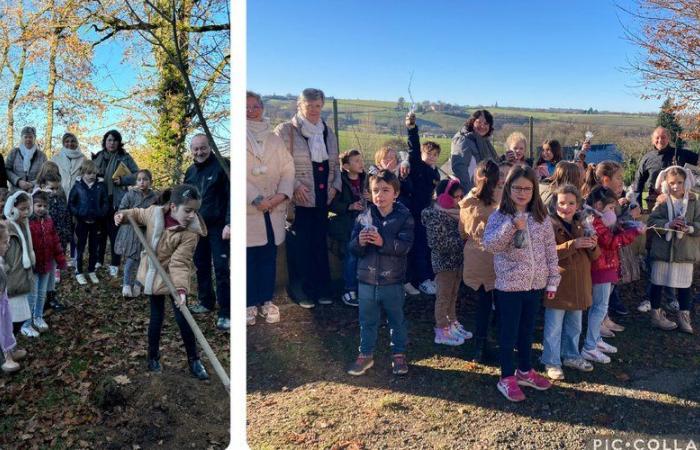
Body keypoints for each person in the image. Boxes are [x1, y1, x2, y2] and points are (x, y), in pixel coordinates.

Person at [114, 184, 209, 380]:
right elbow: (137, 213)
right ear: (173, 206)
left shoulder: (190, 233)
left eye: (195, 211)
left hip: (174, 276)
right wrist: (122, 216)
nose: (192, 215)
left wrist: (181, 290)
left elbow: (180, 262)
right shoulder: (154, 213)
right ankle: (153, 356)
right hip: (154, 274)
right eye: (188, 210)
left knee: (184, 318)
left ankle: (194, 359)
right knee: (156, 317)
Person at [483, 165, 560, 402]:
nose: (522, 192)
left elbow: (550, 249)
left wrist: (552, 280)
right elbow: (490, 244)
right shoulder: (499, 216)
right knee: (508, 333)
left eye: (527, 188)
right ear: (508, 188)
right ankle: (506, 377)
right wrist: (511, 227)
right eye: (517, 187)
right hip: (510, 286)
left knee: (527, 331)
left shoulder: (542, 217)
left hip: (535, 285)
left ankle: (525, 371)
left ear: (534, 190)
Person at [274, 88, 340, 308]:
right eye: (309, 105)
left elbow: (335, 166)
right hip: (298, 199)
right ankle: (299, 289)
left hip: (322, 197)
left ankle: (321, 287)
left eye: (318, 106)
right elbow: (278, 165)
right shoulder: (285, 131)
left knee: (319, 244)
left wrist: (334, 186)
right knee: (298, 246)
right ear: (299, 105)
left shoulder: (328, 133)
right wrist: (293, 186)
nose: (314, 110)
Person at [346, 170, 414, 376]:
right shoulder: (363, 217)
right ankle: (365, 355)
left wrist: (383, 242)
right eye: (375, 190)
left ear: (396, 193)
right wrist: (359, 242)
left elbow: (405, 247)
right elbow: (352, 248)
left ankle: (399, 354)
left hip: (392, 281)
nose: (380, 195)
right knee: (367, 320)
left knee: (396, 320)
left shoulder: (404, 217)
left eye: (385, 190)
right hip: (366, 281)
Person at [541, 184, 599, 380]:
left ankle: (571, 355)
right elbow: (546, 253)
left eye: (571, 203)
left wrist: (592, 244)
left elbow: (595, 256)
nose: (566, 207)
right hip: (558, 283)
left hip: (580, 283)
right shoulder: (547, 225)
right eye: (562, 203)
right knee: (553, 327)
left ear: (578, 205)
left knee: (575, 325)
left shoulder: (582, 225)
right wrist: (572, 244)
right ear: (554, 204)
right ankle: (551, 361)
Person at [246, 91, 294, 325]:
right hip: (250, 209)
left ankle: (266, 300)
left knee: (268, 256)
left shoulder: (274, 138)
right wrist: (255, 198)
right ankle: (248, 302)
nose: (251, 110)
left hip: (273, 207)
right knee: (249, 257)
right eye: (246, 106)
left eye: (255, 106)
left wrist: (280, 195)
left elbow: (288, 168)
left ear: (262, 108)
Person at [581, 186, 642, 365]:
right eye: (610, 208)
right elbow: (610, 242)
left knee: (601, 306)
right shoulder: (594, 221)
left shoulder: (600, 220)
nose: (612, 212)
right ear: (599, 205)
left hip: (607, 266)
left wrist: (625, 227)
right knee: (599, 307)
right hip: (600, 268)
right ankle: (590, 346)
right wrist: (634, 233)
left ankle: (596, 340)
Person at [459, 159, 506, 362]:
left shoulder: (467, 202)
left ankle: (480, 344)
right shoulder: (499, 203)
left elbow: (462, 231)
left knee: (482, 305)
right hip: (495, 258)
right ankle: (493, 341)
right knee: (499, 302)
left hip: (474, 256)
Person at [184, 133, 231, 330]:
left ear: (209, 146)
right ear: (191, 150)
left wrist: (230, 223)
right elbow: (185, 197)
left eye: (202, 147)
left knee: (220, 268)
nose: (199, 152)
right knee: (201, 264)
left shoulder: (223, 165)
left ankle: (226, 312)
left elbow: (232, 196)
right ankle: (206, 301)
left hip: (219, 226)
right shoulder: (190, 171)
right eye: (195, 149)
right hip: (197, 225)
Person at [646, 166, 700, 333]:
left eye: (679, 182)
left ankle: (684, 316)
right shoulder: (662, 201)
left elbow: (698, 223)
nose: (675, 186)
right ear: (665, 183)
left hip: (684, 252)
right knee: (657, 283)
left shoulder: (694, 202)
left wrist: (689, 228)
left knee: (684, 286)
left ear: (686, 182)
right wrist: (668, 225)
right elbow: (651, 222)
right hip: (663, 252)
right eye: (672, 183)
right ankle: (656, 315)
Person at [423, 178, 471, 346]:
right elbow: (437, 243)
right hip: (444, 264)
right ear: (444, 197)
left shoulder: (456, 213)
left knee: (453, 294)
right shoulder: (434, 216)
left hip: (457, 261)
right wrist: (464, 242)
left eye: (460, 196)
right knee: (443, 296)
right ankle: (441, 329)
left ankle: (452, 322)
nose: (459, 200)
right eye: (456, 197)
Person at [92, 130, 139, 278]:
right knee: (100, 233)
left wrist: (123, 180)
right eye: (109, 140)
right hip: (99, 200)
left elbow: (137, 175)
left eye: (114, 140)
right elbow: (88, 173)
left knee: (114, 234)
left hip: (116, 201)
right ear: (105, 142)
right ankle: (98, 261)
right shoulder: (98, 156)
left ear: (119, 142)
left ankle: (114, 264)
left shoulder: (124, 157)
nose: (111, 143)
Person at [405, 112, 441, 296]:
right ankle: (420, 280)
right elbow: (413, 149)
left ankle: (429, 276)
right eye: (429, 153)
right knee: (418, 246)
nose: (432, 157)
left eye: (436, 154)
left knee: (428, 246)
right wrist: (412, 129)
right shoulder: (418, 167)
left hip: (429, 214)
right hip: (417, 213)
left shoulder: (436, 174)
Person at [24, 191, 66, 336]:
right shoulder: (28, 223)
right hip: (34, 266)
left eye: (44, 205)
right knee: (32, 295)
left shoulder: (48, 221)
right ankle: (26, 323)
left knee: (42, 294)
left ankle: (38, 317)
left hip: (47, 264)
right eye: (38, 205)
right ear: (32, 205)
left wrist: (60, 259)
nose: (41, 208)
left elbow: (55, 241)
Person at [329, 149, 366, 307]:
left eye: (360, 160)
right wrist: (349, 206)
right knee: (351, 257)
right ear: (345, 166)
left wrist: (372, 197)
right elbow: (332, 204)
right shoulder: (340, 182)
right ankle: (349, 290)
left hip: (365, 223)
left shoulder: (367, 178)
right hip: (347, 226)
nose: (361, 163)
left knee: (364, 256)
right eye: (356, 161)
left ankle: (363, 288)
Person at [114, 170, 159, 298]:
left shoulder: (154, 197)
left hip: (146, 232)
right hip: (131, 231)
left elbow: (157, 213)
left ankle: (138, 284)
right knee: (131, 258)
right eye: (139, 179)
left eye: (145, 179)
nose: (142, 182)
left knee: (142, 259)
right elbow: (121, 209)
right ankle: (126, 284)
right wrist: (124, 216)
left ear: (150, 181)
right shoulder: (130, 194)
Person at [633, 126, 699, 210]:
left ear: (668, 139)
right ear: (653, 140)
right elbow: (638, 182)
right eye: (657, 138)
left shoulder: (681, 153)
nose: (660, 140)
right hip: (655, 201)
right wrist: (638, 205)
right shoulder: (647, 158)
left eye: (663, 137)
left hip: (680, 201)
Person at [36, 166, 71, 312]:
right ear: (43, 186)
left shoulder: (60, 198)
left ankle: (51, 297)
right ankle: (41, 300)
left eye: (57, 188)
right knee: (44, 273)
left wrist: (68, 234)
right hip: (45, 243)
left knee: (53, 271)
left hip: (59, 240)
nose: (55, 191)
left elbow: (66, 216)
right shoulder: (39, 202)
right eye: (52, 188)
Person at [69, 160, 109, 285]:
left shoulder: (100, 186)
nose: (92, 176)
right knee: (80, 247)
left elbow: (105, 202)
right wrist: (79, 213)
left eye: (94, 173)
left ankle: (91, 270)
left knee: (94, 247)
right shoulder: (78, 186)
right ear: (83, 173)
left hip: (96, 222)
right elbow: (71, 203)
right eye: (89, 173)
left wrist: (101, 213)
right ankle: (79, 271)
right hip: (81, 222)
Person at [3, 191, 35, 331]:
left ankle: (11, 348)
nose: (26, 212)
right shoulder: (7, 229)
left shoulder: (24, 226)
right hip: (12, 281)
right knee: (11, 320)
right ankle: (7, 350)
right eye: (22, 209)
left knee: (20, 318)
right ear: (12, 209)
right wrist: (7, 270)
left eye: (28, 208)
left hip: (21, 279)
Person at [0, 222, 28, 373]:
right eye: (5, 242)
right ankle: (6, 358)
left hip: (3, 303)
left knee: (7, 326)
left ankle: (11, 351)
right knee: (1, 330)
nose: (8, 246)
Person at [451, 110, 498, 192]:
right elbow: (460, 170)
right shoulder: (463, 140)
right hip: (472, 192)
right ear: (472, 121)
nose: (482, 126)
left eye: (486, 123)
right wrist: (470, 193)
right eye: (479, 122)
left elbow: (493, 164)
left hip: (483, 191)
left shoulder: (483, 141)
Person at [5, 126, 48, 193]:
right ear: (22, 138)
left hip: (35, 193)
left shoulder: (42, 156)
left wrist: (32, 184)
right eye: (26, 137)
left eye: (30, 137)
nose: (28, 139)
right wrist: (18, 181)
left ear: (34, 138)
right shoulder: (14, 153)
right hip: (15, 192)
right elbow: (7, 170)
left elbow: (45, 174)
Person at [51, 132, 85, 199]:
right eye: (67, 141)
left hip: (78, 194)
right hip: (59, 194)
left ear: (76, 143)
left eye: (73, 141)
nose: (70, 143)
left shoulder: (83, 159)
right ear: (63, 143)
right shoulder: (55, 159)